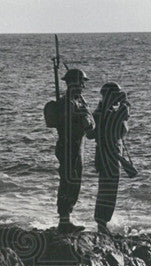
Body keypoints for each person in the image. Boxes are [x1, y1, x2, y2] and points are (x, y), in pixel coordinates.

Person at [44, 67, 95, 234]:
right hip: (68, 146)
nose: (83, 86)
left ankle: (66, 219)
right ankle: (64, 220)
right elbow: (67, 125)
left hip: (76, 146)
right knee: (68, 181)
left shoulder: (78, 100)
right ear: (75, 83)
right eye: (81, 83)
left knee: (74, 182)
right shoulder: (68, 103)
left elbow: (89, 122)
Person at [91, 82, 132, 234]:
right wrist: (124, 99)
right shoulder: (110, 113)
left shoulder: (99, 113)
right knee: (109, 189)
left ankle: (101, 222)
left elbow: (91, 134)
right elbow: (126, 112)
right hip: (111, 155)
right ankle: (102, 223)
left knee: (105, 187)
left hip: (103, 154)